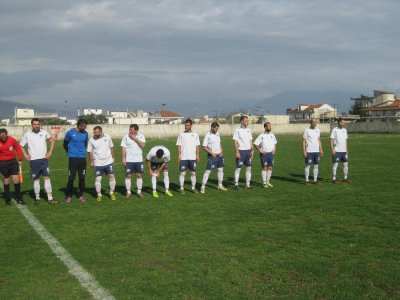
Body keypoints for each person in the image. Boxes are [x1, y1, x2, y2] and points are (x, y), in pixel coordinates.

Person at [20, 118, 56, 204]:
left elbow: (52, 141)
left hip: (44, 159)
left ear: (40, 125)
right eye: (34, 124)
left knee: (47, 178)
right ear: (32, 125)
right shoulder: (27, 134)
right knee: (36, 179)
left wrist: (50, 152)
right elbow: (21, 145)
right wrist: (25, 155)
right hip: (33, 160)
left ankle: (50, 198)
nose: (36, 126)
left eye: (38, 124)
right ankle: (37, 198)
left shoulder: (44, 132)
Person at [87, 126, 116, 201]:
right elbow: (90, 151)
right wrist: (91, 161)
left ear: (100, 132)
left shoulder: (107, 137)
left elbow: (111, 147)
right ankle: (99, 194)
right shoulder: (91, 140)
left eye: (96, 132)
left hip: (108, 161)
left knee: (111, 177)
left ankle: (112, 193)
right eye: (94, 132)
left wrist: (113, 157)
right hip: (98, 163)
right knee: (98, 179)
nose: (94, 133)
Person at [64, 119, 89, 203]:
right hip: (73, 159)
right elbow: (65, 144)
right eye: (83, 126)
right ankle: (69, 196)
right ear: (79, 125)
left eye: (86, 126)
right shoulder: (70, 133)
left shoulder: (85, 133)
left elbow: (85, 144)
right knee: (71, 178)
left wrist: (81, 152)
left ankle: (81, 195)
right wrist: (70, 152)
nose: (85, 128)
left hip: (82, 159)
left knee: (82, 178)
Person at [200, 122, 227, 193]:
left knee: (221, 170)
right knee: (208, 171)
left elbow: (219, 143)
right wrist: (212, 153)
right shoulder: (207, 135)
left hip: (220, 156)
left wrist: (221, 151)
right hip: (212, 156)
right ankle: (202, 187)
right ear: (212, 128)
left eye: (218, 129)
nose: (217, 130)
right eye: (216, 129)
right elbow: (204, 147)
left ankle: (220, 185)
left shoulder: (217, 134)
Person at [121, 124, 146, 199]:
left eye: (131, 130)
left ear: (136, 130)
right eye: (129, 130)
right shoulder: (126, 137)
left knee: (139, 175)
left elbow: (143, 145)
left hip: (139, 160)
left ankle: (139, 192)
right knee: (128, 175)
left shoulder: (141, 136)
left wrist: (135, 138)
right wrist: (123, 158)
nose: (130, 131)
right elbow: (123, 148)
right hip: (129, 160)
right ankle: (128, 193)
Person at [0, 128, 24, 205]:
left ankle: (19, 198)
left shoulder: (11, 140)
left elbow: (18, 149)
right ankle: (8, 200)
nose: (3, 138)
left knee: (16, 180)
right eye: (1, 137)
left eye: (4, 136)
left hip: (13, 162)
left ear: (7, 135)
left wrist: (19, 159)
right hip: (2, 163)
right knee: (6, 181)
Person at [176, 119, 200, 194]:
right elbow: (179, 145)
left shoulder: (195, 134)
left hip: (192, 157)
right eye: (185, 125)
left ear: (191, 125)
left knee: (193, 173)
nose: (186, 126)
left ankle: (193, 188)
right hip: (184, 157)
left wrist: (197, 155)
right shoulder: (181, 134)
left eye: (187, 125)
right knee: (183, 173)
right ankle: (181, 188)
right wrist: (179, 155)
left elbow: (197, 146)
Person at [254, 122, 277, 188]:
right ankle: (264, 183)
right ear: (265, 127)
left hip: (271, 154)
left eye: (270, 126)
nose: (270, 127)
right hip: (264, 154)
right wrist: (260, 150)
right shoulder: (261, 135)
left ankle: (268, 181)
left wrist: (274, 149)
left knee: (270, 168)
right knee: (264, 168)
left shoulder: (272, 134)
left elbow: (275, 143)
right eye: (269, 126)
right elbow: (255, 143)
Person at [233, 115, 254, 189]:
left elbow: (250, 140)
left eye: (248, 121)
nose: (247, 122)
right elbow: (235, 141)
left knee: (249, 168)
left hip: (248, 151)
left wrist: (252, 150)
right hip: (241, 151)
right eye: (246, 121)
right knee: (238, 168)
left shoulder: (248, 130)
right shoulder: (237, 130)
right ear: (241, 121)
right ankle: (236, 184)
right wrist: (237, 151)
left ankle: (247, 185)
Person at [330, 117, 352, 183]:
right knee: (335, 165)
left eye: (344, 122)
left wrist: (346, 150)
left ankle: (345, 178)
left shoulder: (344, 130)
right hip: (337, 151)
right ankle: (334, 179)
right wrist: (332, 149)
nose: (343, 123)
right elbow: (331, 140)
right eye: (342, 122)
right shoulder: (335, 130)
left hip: (344, 151)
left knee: (346, 164)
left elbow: (345, 141)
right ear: (339, 123)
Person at [303, 118, 324, 185]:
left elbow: (319, 140)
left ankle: (315, 180)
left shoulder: (318, 130)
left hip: (316, 151)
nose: (314, 123)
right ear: (310, 122)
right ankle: (307, 180)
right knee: (308, 166)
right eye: (313, 122)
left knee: (316, 166)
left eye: (315, 122)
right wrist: (304, 151)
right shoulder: (307, 130)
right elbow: (303, 141)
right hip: (309, 151)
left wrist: (321, 149)